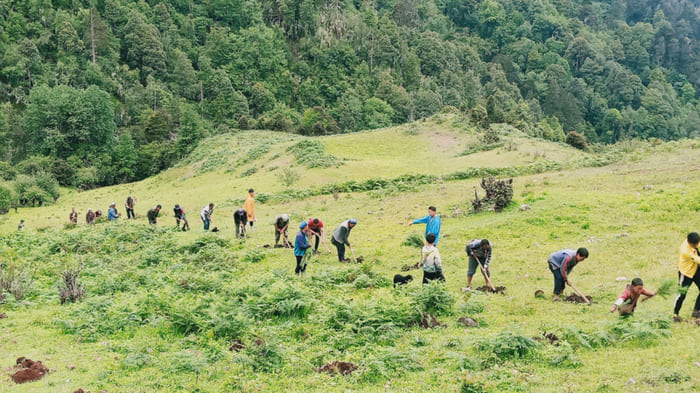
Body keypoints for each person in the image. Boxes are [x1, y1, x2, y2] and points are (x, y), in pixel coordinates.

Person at [673, 232, 700, 320]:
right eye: (694, 245)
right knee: (682, 294)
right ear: (689, 242)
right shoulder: (685, 250)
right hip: (686, 274)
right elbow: (698, 260)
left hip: (695, 270)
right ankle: (675, 314)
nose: (696, 246)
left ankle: (696, 311)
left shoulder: (695, 241)